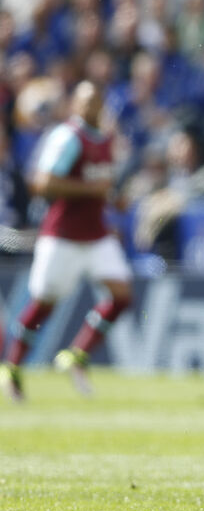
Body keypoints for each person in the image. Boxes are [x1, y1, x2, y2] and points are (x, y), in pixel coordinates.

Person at [0, 80, 133, 402]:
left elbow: (101, 184)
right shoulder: (67, 137)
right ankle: (13, 367)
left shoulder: (104, 140)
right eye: (85, 101)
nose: (91, 107)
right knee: (43, 304)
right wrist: (94, 191)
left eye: (96, 100)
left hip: (96, 233)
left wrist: (113, 200)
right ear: (75, 104)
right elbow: (42, 183)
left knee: (122, 296)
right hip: (63, 235)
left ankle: (77, 354)